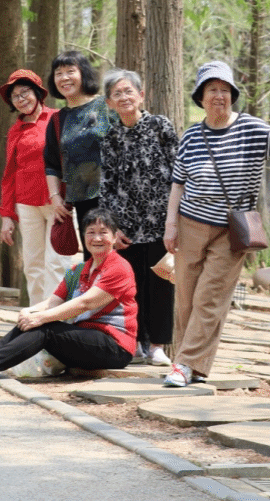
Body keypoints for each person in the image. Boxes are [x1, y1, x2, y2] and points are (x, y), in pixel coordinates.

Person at [163, 61, 270, 387]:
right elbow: (178, 183)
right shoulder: (191, 135)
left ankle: (183, 364)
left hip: (230, 230)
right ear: (201, 97)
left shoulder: (249, 127)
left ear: (232, 95)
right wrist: (170, 225)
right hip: (190, 224)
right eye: (212, 90)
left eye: (224, 90)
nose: (218, 96)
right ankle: (192, 366)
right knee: (186, 299)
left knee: (209, 297)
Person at [0, 209, 137, 384]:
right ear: (84, 236)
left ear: (114, 237)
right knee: (31, 321)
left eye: (103, 232)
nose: (97, 238)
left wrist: (41, 318)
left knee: (45, 327)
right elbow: (53, 301)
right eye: (91, 232)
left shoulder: (119, 268)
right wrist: (30, 312)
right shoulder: (78, 270)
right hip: (84, 340)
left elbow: (86, 303)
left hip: (115, 347)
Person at [99, 69, 177, 366]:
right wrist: (111, 227)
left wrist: (177, 219)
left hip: (161, 222)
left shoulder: (160, 126)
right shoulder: (110, 137)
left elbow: (179, 172)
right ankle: (133, 342)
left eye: (128, 91)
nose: (124, 97)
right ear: (109, 103)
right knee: (130, 287)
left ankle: (157, 345)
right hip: (126, 227)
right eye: (117, 94)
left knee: (160, 285)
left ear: (141, 95)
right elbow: (106, 185)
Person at [0, 68, 67, 306]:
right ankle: (36, 317)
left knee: (56, 263)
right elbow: (9, 175)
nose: (21, 99)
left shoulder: (58, 118)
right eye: (15, 96)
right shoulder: (15, 131)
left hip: (58, 202)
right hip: (26, 203)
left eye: (25, 92)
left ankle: (53, 317)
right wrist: (7, 216)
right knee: (33, 264)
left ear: (37, 92)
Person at [43, 51, 115, 244]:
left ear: (84, 73)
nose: (64, 78)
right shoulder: (58, 119)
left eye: (70, 71)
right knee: (93, 255)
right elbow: (51, 164)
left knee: (120, 256)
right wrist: (55, 197)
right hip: (84, 203)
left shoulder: (107, 106)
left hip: (117, 198)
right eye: (59, 73)